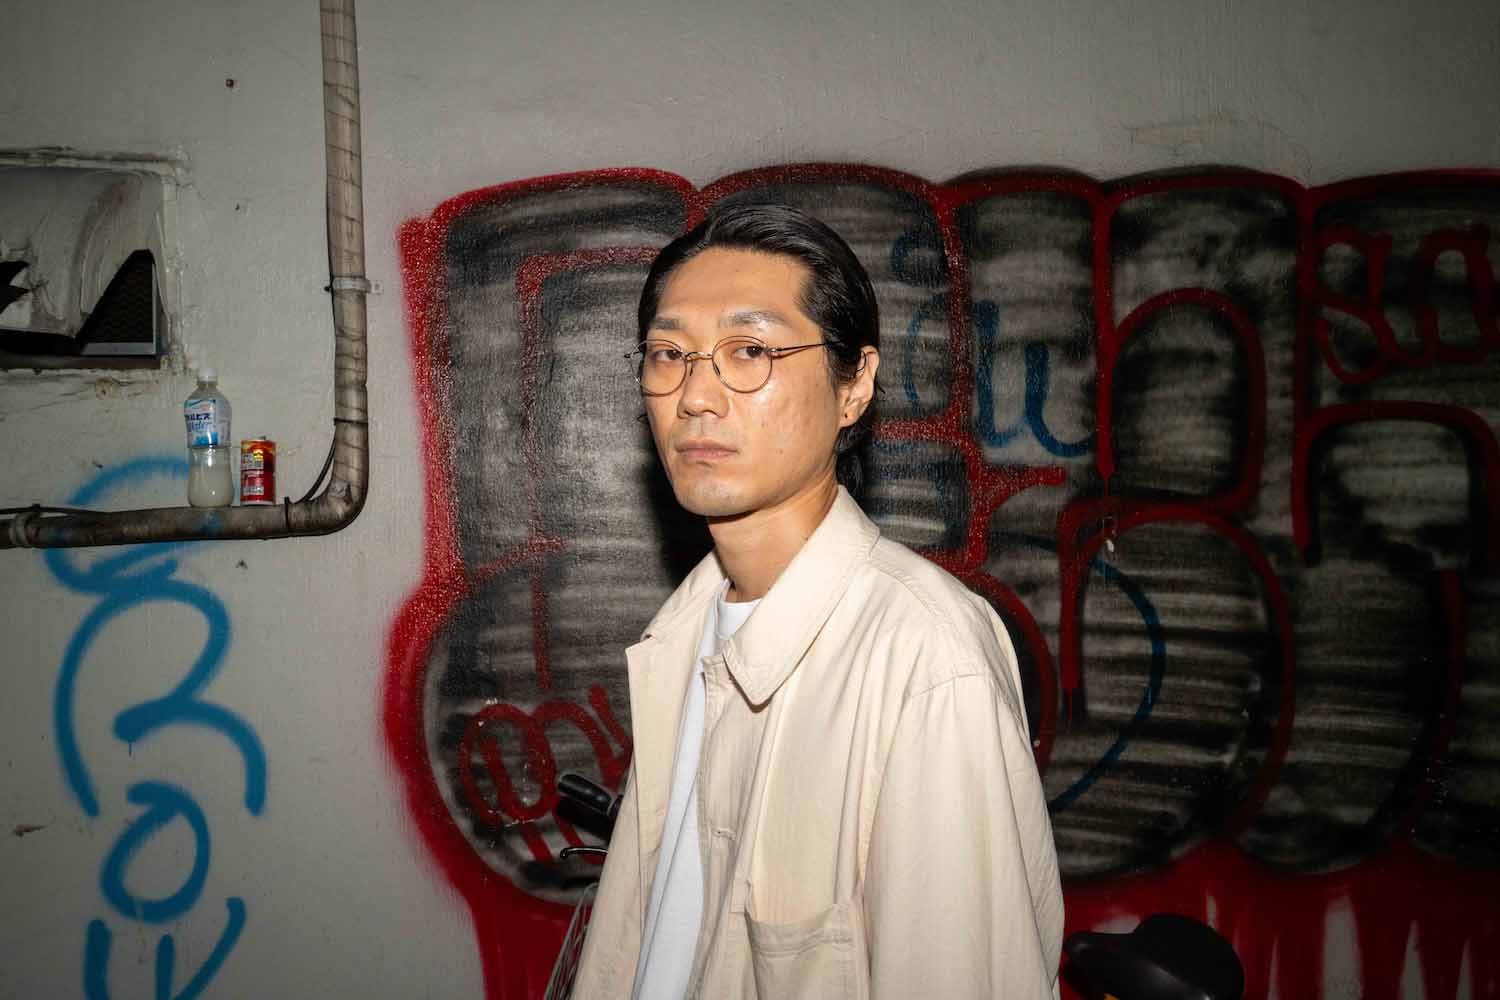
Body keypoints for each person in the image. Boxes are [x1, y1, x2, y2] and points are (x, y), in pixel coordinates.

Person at [572, 203, 1063, 998]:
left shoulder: (925, 660)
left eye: (750, 350)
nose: (697, 396)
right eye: (670, 354)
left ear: (854, 385)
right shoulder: (683, 634)